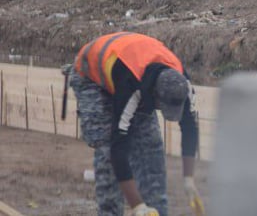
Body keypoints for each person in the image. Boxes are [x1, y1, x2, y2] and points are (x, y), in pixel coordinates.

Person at [66, 32, 205, 215]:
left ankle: (157, 210)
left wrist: (188, 179)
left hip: (138, 70)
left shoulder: (181, 85)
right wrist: (137, 205)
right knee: (107, 149)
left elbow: (189, 127)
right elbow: (118, 146)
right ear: (154, 95)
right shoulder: (131, 86)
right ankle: (111, 211)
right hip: (92, 76)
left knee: (151, 147)